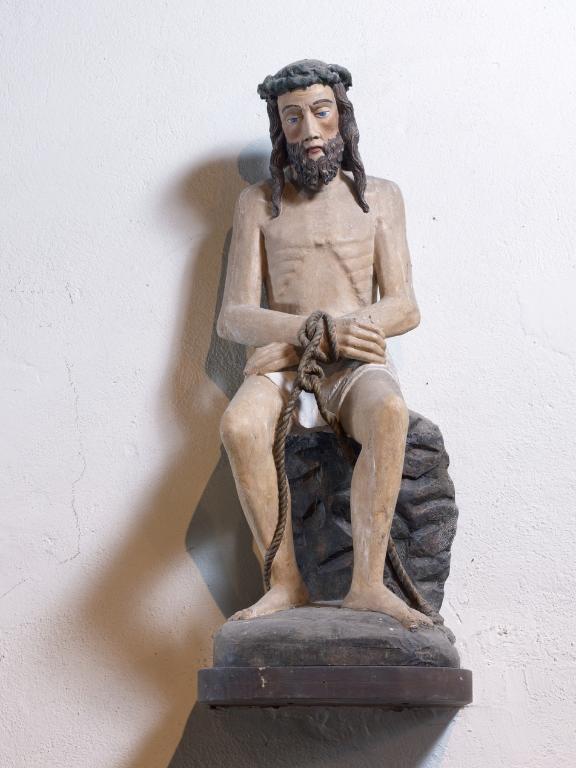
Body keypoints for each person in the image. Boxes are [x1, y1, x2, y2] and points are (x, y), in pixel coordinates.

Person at [217, 60, 431, 630]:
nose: (309, 130)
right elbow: (233, 318)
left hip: (355, 365)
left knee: (389, 412)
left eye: (320, 112)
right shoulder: (258, 204)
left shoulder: (379, 198)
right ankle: (285, 582)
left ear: (342, 115)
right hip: (285, 364)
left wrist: (334, 335)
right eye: (293, 118)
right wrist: (301, 334)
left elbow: (405, 305)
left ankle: (368, 585)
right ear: (279, 129)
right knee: (239, 426)